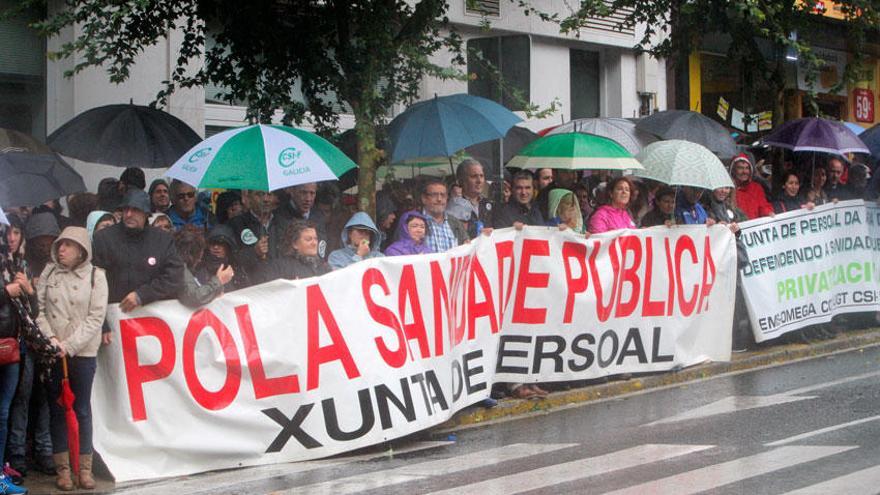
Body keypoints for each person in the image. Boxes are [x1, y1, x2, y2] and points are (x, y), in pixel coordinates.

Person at [35, 227, 108, 491]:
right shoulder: (49, 273)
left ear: (80, 250)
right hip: (54, 351)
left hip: (82, 352)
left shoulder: (96, 277)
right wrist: (51, 340)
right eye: (60, 245)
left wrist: (70, 345)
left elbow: (95, 318)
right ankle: (63, 469)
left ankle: (84, 469)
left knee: (82, 410)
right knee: (57, 410)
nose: (61, 249)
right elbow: (39, 310)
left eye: (68, 245)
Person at [4, 214, 54, 483]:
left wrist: (29, 291)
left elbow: (37, 310)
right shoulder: (6, 264)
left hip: (35, 340)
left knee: (43, 396)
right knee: (19, 399)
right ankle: (17, 453)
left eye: (16, 232)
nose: (12, 238)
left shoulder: (28, 265)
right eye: (7, 233)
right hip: (14, 342)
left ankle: (44, 450)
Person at [92, 189, 184, 319]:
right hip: (113, 319)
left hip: (153, 318)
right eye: (125, 209)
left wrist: (142, 295)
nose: (129, 214)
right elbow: (92, 283)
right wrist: (103, 325)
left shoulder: (162, 240)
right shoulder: (103, 239)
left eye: (135, 210)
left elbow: (175, 276)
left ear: (146, 213)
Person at [228, 190, 290, 286]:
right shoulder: (237, 224)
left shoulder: (283, 222)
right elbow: (231, 260)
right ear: (249, 198)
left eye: (269, 195)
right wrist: (254, 252)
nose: (265, 199)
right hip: (251, 287)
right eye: (259, 194)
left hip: (281, 284)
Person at [174, 227, 233, 308]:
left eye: (221, 243)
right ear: (193, 253)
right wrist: (219, 281)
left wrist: (213, 295)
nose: (200, 258)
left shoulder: (180, 266)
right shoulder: (178, 268)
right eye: (201, 251)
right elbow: (194, 297)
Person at [254, 221, 330, 282]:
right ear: (294, 244)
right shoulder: (278, 268)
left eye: (315, 239)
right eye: (308, 239)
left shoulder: (324, 268)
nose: (314, 243)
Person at [420, 179, 468, 253]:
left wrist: (483, 238)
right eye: (434, 195)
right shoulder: (413, 222)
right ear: (424, 198)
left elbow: (467, 248)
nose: (439, 199)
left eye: (443, 195)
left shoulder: (456, 223)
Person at [196, 225, 247, 291]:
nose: (216, 247)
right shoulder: (200, 268)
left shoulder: (236, 266)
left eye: (220, 243)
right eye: (212, 243)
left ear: (228, 246)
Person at [452, 159, 493, 237]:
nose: (479, 180)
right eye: (474, 176)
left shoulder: (489, 204)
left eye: (481, 176)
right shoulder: (454, 205)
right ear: (461, 180)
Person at [730, 153, 774, 219]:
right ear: (734, 170)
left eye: (747, 168)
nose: (744, 171)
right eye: (740, 168)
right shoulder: (728, 189)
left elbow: (763, 206)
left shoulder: (756, 188)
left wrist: (768, 212)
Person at [24, 212, 61, 282]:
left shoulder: (62, 260)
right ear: (33, 242)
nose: (45, 249)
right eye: (41, 245)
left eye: (49, 245)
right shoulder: (25, 263)